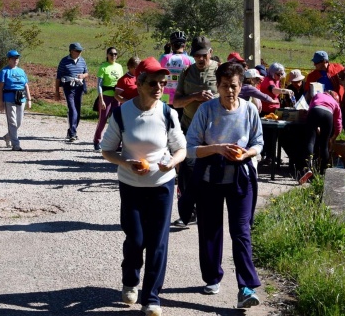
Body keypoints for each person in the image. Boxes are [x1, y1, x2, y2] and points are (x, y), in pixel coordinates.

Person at [100, 57, 187, 316]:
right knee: (136, 238)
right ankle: (130, 280)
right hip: (131, 185)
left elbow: (181, 148)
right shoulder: (122, 113)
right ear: (139, 83)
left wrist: (171, 162)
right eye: (152, 83)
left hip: (162, 184)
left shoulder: (167, 113)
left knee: (158, 242)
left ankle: (152, 297)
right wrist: (127, 163)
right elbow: (107, 150)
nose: (159, 87)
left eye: (163, 82)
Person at [185, 61, 263, 309]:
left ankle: (246, 287)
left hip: (241, 177)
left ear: (241, 86)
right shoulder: (206, 110)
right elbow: (189, 148)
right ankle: (212, 276)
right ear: (217, 86)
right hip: (210, 178)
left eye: (234, 86)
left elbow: (258, 142)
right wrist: (218, 148)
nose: (229, 91)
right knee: (210, 230)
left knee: (241, 231)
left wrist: (247, 154)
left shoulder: (250, 110)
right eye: (224, 86)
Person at [171, 36, 219, 228]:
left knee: (210, 173)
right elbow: (176, 102)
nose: (200, 59)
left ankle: (207, 211)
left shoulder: (220, 70)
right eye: (196, 56)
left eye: (203, 55)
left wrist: (213, 98)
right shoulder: (186, 72)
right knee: (186, 171)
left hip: (212, 131)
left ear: (210, 53)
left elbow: (230, 97)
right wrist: (195, 96)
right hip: (189, 128)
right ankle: (188, 213)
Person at [298, 90, 342, 183]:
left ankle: (308, 168)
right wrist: (333, 137)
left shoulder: (318, 95)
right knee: (324, 145)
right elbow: (338, 123)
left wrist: (314, 124)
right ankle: (322, 172)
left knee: (310, 141)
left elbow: (310, 108)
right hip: (328, 115)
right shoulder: (335, 103)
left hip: (315, 111)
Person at [0, 50, 31, 151]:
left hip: (21, 98)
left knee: (19, 122)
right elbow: (0, 88)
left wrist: (29, 99)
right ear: (8, 59)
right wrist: (1, 102)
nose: (15, 60)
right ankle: (16, 144)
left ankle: (8, 137)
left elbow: (26, 85)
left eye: (17, 58)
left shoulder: (21, 71)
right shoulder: (4, 71)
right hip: (9, 98)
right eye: (13, 58)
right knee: (12, 122)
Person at [55, 42, 89, 142]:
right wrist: (57, 92)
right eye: (77, 51)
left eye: (80, 51)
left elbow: (86, 73)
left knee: (77, 111)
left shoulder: (82, 61)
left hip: (79, 88)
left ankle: (71, 131)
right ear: (71, 51)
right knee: (72, 109)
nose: (79, 53)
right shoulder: (64, 61)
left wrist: (83, 76)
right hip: (68, 88)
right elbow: (58, 78)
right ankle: (73, 133)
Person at [93, 46, 124, 151]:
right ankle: (97, 141)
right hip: (106, 96)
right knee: (103, 120)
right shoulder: (103, 67)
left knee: (116, 121)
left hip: (116, 97)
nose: (113, 56)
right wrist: (101, 100)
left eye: (115, 54)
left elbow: (121, 83)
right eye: (111, 54)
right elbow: (99, 85)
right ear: (107, 55)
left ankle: (116, 144)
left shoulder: (119, 67)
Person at [158, 31, 193, 110]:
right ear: (184, 45)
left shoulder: (163, 58)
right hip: (182, 98)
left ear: (171, 45)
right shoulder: (190, 60)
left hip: (165, 98)